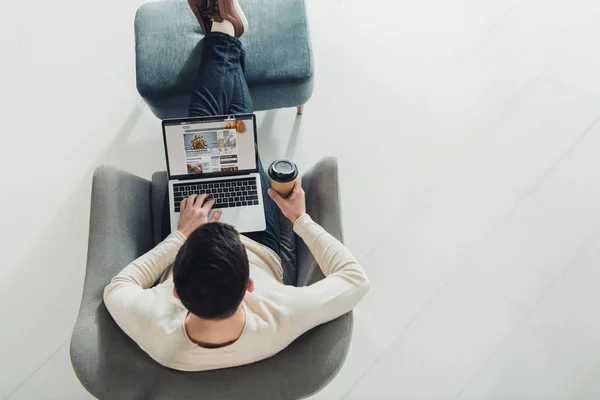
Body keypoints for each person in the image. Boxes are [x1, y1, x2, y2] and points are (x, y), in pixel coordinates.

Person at [103, 0, 370, 371]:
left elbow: (117, 288)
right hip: (259, 240)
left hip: (188, 230)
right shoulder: (282, 316)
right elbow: (356, 279)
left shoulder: (160, 332)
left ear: (175, 292)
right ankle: (224, 30)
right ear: (250, 287)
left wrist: (181, 236)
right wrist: (300, 221)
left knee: (208, 131)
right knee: (236, 144)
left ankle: (224, 31)